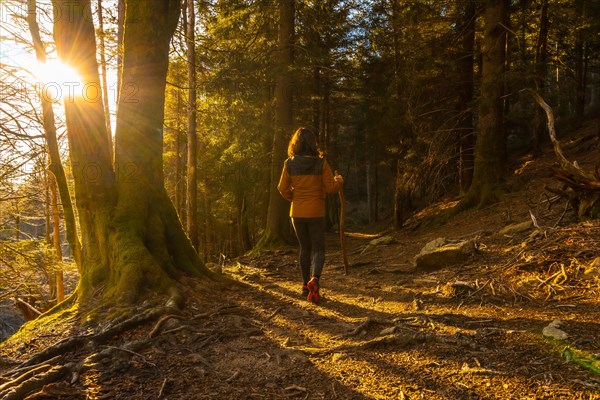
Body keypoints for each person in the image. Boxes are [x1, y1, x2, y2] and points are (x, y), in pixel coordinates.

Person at [277, 127, 343, 303]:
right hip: (316, 212)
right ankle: (316, 279)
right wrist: (339, 182)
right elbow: (330, 188)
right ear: (313, 143)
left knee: (304, 248)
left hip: (297, 212)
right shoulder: (321, 163)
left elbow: (282, 189)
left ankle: (305, 287)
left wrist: (294, 198)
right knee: (319, 248)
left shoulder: (289, 163)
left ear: (295, 143)